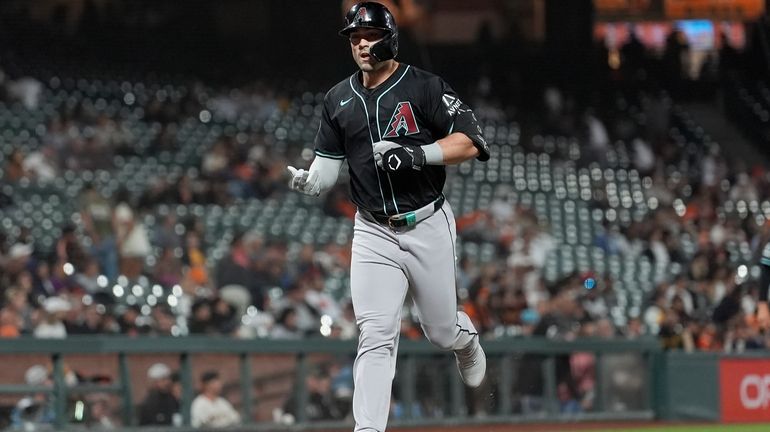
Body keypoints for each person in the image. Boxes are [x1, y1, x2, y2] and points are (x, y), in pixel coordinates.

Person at [286, 3, 489, 430]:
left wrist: (419, 154)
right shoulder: (338, 98)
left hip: (426, 222)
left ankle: (464, 340)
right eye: (355, 38)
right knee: (375, 334)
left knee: (438, 331)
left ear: (390, 38)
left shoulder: (425, 86)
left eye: (370, 35)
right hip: (373, 230)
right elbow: (327, 167)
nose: (361, 44)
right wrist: (312, 181)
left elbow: (472, 142)